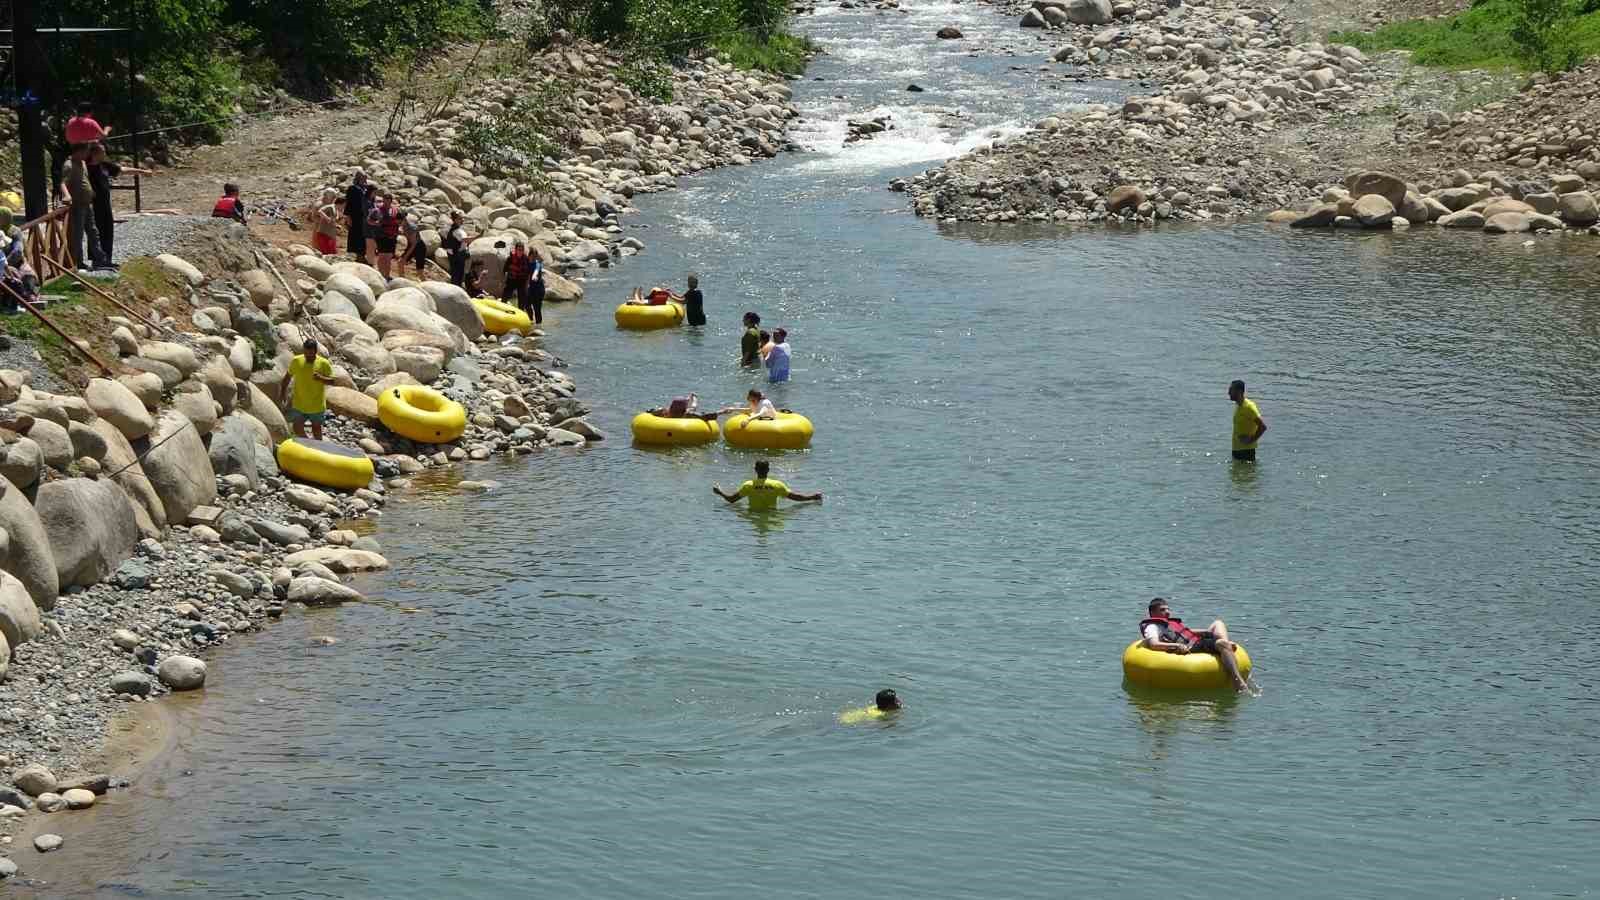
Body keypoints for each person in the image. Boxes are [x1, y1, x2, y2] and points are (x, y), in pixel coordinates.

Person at [1140, 598, 1250, 693]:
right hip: (1190, 647)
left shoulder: (1167, 623)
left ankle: (1225, 648)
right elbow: (1154, 644)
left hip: (1195, 640)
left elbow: (1182, 632)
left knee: (1218, 623)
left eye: (1168, 609)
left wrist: (1207, 632)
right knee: (1222, 643)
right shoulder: (1152, 626)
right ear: (1152, 613)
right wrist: (1177, 646)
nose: (1168, 612)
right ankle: (1238, 681)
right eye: (1162, 610)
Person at [88, 143, 150, 267]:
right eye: (102, 152)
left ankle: (107, 259)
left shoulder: (104, 165)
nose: (105, 154)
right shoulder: (87, 168)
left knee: (108, 230)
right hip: (93, 205)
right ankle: (97, 260)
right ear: (95, 153)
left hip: (105, 204)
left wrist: (142, 172)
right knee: (96, 232)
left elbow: (122, 170)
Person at [58, 144, 109, 272]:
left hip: (87, 203)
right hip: (77, 204)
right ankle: (78, 262)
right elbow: (63, 183)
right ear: (79, 151)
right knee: (78, 234)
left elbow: (84, 180)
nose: (88, 154)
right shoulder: (69, 165)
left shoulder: (82, 163)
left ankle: (100, 259)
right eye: (86, 151)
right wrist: (67, 195)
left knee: (93, 232)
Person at [278, 338, 336, 441]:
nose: (307, 355)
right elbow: (287, 377)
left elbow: (332, 381)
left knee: (316, 430)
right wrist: (283, 393)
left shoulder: (323, 363)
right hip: (299, 403)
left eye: (310, 353)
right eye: (305, 352)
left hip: (316, 405)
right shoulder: (297, 360)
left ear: (315, 351)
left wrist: (320, 378)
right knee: (296, 427)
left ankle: (319, 449)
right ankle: (308, 444)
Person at [712, 459, 823, 510]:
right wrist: (813, 497)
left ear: (755, 470)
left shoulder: (748, 485)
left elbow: (731, 500)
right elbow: (796, 498)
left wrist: (719, 492)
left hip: (753, 515)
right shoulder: (777, 485)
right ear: (768, 470)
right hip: (772, 514)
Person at [1228, 379, 1267, 462]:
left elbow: (1263, 427)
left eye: (1231, 390)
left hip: (1246, 452)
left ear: (1239, 391)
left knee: (1245, 474)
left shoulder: (1249, 407)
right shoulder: (1239, 405)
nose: (1228, 392)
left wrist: (1251, 440)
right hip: (1237, 450)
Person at [838, 689, 904, 724]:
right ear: (889, 706)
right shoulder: (882, 715)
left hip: (844, 716)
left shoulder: (875, 707)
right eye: (896, 700)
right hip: (846, 724)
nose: (899, 701)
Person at [375, 195, 401, 277]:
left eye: (387, 201)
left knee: (389, 257)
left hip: (392, 236)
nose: (385, 203)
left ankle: (386, 275)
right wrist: (377, 223)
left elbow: (399, 221)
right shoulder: (378, 210)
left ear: (390, 201)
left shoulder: (395, 210)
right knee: (382, 256)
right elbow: (370, 220)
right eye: (384, 201)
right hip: (381, 235)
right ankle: (380, 274)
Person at [344, 171, 369, 259]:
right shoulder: (352, 188)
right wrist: (348, 217)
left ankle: (362, 254)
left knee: (363, 235)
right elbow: (349, 203)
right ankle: (354, 253)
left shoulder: (365, 189)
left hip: (364, 217)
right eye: (363, 178)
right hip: (355, 216)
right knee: (355, 234)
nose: (364, 180)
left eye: (365, 178)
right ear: (358, 178)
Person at [502, 240, 533, 312]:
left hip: (522, 281)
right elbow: (505, 270)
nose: (520, 252)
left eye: (522, 250)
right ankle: (502, 309)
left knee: (522, 299)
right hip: (511, 280)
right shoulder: (510, 258)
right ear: (516, 250)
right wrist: (504, 280)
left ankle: (521, 313)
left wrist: (527, 284)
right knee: (505, 296)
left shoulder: (526, 259)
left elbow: (529, 272)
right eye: (519, 250)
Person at [441, 210, 470, 286]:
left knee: (459, 273)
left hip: (459, 253)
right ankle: (455, 287)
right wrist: (477, 237)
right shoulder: (455, 230)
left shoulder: (457, 229)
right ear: (455, 220)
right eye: (460, 219)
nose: (462, 220)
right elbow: (465, 240)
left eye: (462, 218)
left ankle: (457, 286)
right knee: (457, 274)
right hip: (456, 254)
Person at [311, 189, 341, 256]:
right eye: (333, 195)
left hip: (330, 230)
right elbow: (314, 217)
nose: (334, 197)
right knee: (319, 246)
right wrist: (324, 221)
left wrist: (334, 223)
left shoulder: (332, 205)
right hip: (320, 228)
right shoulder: (319, 204)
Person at [648, 393, 718, 421]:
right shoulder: (687, 414)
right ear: (684, 407)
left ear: (672, 405)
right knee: (692, 408)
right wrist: (694, 397)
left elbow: (651, 413)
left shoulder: (664, 411)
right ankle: (694, 396)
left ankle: (692, 396)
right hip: (682, 427)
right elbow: (695, 408)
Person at [400, 210, 428, 276]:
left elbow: (413, 244)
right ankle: (402, 280)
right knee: (400, 262)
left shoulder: (411, 227)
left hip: (419, 248)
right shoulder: (404, 226)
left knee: (419, 271)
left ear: (403, 219)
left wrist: (405, 256)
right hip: (412, 245)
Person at [526, 246, 546, 326]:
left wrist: (534, 276)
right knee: (527, 305)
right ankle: (531, 320)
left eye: (535, 256)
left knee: (537, 309)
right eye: (532, 256)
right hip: (531, 289)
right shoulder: (527, 263)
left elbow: (536, 271)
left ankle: (539, 327)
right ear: (529, 255)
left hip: (539, 290)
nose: (534, 257)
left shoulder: (538, 264)